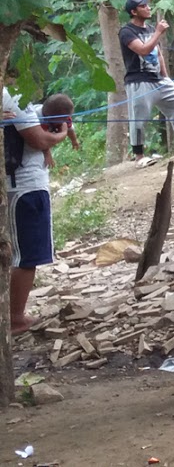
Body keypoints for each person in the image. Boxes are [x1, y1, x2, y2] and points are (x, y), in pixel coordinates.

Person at [6, 93, 75, 334]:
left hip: (21, 186)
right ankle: (15, 319)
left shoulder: (20, 101)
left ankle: (12, 315)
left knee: (20, 254)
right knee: (27, 256)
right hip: (25, 187)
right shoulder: (12, 97)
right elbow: (39, 139)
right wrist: (63, 134)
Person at [119, 0, 174, 158]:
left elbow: (158, 54)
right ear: (133, 11)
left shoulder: (150, 29)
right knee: (139, 119)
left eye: (147, 5)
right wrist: (158, 32)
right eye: (143, 6)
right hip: (139, 81)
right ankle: (139, 156)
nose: (148, 8)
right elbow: (143, 50)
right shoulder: (126, 32)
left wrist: (166, 77)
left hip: (159, 79)